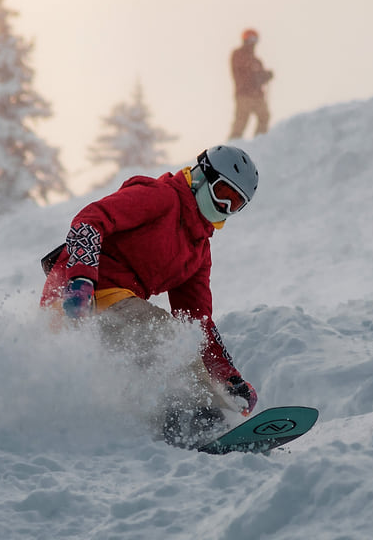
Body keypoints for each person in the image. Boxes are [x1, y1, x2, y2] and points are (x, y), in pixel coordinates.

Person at [40, 145, 260, 447]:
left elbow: (197, 324)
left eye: (236, 204)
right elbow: (89, 220)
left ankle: (191, 420)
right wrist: (81, 279)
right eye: (223, 193)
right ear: (202, 177)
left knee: (179, 342)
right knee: (163, 333)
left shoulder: (198, 251)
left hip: (113, 306)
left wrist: (228, 379)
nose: (224, 207)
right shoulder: (161, 197)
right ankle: (203, 422)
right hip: (79, 293)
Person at [229, 28, 273, 139]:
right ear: (245, 39)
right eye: (251, 39)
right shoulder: (238, 54)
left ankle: (259, 140)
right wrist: (258, 75)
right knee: (241, 121)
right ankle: (232, 145)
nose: (253, 42)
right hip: (244, 94)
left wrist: (265, 76)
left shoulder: (256, 60)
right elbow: (242, 72)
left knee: (264, 116)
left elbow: (259, 75)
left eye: (255, 39)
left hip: (257, 95)